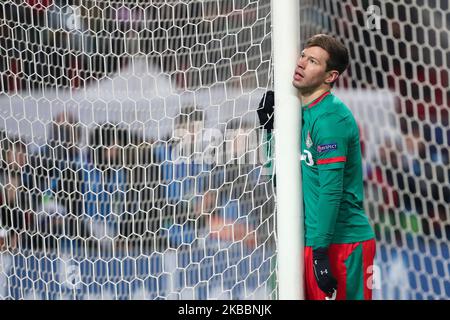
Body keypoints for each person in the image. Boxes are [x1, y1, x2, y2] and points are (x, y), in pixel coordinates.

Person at [258, 34, 376, 300]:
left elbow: (331, 191)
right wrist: (267, 132)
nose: (301, 63)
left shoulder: (330, 118)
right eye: (303, 56)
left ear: (330, 76)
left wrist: (321, 251)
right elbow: (279, 179)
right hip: (311, 241)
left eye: (312, 61)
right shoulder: (298, 113)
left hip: (343, 243)